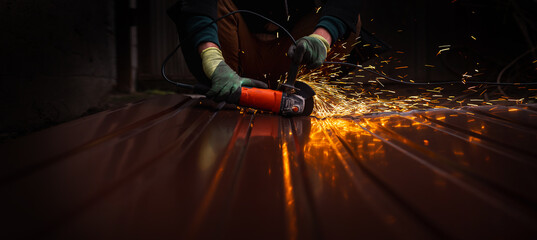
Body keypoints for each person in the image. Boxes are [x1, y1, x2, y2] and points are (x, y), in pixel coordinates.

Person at [168, 0, 362, 103]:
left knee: (345, 20)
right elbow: (198, 4)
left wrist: (321, 38)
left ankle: (304, 91)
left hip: (292, 54)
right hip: (237, 51)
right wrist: (212, 59)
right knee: (219, 6)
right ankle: (229, 86)